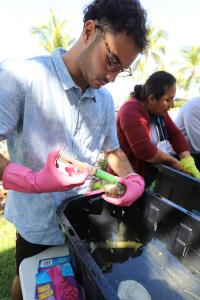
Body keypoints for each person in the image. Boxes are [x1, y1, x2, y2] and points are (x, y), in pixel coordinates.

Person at [0, 0, 148, 299]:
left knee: (71, 286)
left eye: (122, 70)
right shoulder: (23, 77)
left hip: (83, 223)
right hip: (36, 224)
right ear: (89, 31)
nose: (112, 77)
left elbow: (114, 152)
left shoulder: (104, 101)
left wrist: (132, 179)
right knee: (28, 278)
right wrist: (30, 180)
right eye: (111, 60)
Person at [115, 71, 200, 178]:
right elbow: (144, 150)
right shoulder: (131, 110)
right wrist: (172, 161)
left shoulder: (158, 111)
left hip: (143, 177)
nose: (172, 105)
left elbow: (175, 135)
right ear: (151, 98)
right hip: (123, 178)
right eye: (168, 100)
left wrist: (188, 161)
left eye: (172, 99)